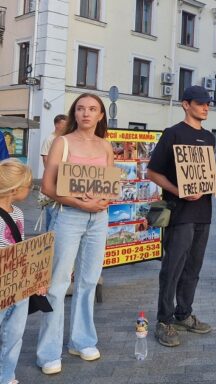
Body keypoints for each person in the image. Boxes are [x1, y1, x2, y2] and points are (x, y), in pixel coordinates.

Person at [37, 93, 113, 375]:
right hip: (69, 216)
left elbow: (109, 183)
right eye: (80, 108)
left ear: (100, 115)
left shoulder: (106, 146)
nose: (86, 113)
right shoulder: (63, 142)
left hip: (99, 219)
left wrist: (104, 201)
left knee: (88, 281)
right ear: (74, 113)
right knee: (57, 284)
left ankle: (81, 341)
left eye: (92, 109)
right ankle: (48, 352)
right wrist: (81, 202)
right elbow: (47, 186)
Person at [147, 85, 215, 347]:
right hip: (179, 212)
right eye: (200, 103)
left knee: (193, 268)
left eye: (208, 103)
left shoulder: (209, 137)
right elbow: (153, 173)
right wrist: (178, 191)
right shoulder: (172, 133)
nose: (206, 107)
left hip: (204, 213)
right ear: (186, 104)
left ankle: (183, 314)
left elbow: (207, 175)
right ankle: (164, 320)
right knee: (173, 267)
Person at [0, 158, 40, 384]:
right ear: (15, 189)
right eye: (29, 186)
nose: (31, 189)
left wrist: (36, 278)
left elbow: (23, 249)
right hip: (3, 284)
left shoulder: (18, 214)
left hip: (18, 285)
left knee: (15, 335)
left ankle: (7, 376)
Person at [39, 114, 67, 230]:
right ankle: (49, 238)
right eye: (64, 124)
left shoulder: (64, 139)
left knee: (57, 212)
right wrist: (53, 177)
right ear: (57, 124)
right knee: (51, 210)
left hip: (62, 179)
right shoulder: (50, 139)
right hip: (54, 179)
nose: (66, 126)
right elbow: (46, 160)